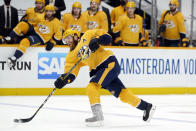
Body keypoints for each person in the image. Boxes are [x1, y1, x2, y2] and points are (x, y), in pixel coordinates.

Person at [54, 28, 156, 126]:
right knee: (122, 94)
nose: (67, 41)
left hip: (108, 63)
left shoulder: (87, 35)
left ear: (76, 36)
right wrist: (63, 80)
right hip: (100, 71)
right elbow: (71, 74)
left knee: (91, 87)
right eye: (65, 40)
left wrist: (98, 40)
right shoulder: (70, 57)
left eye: (68, 38)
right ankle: (146, 107)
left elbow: (107, 37)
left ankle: (98, 116)